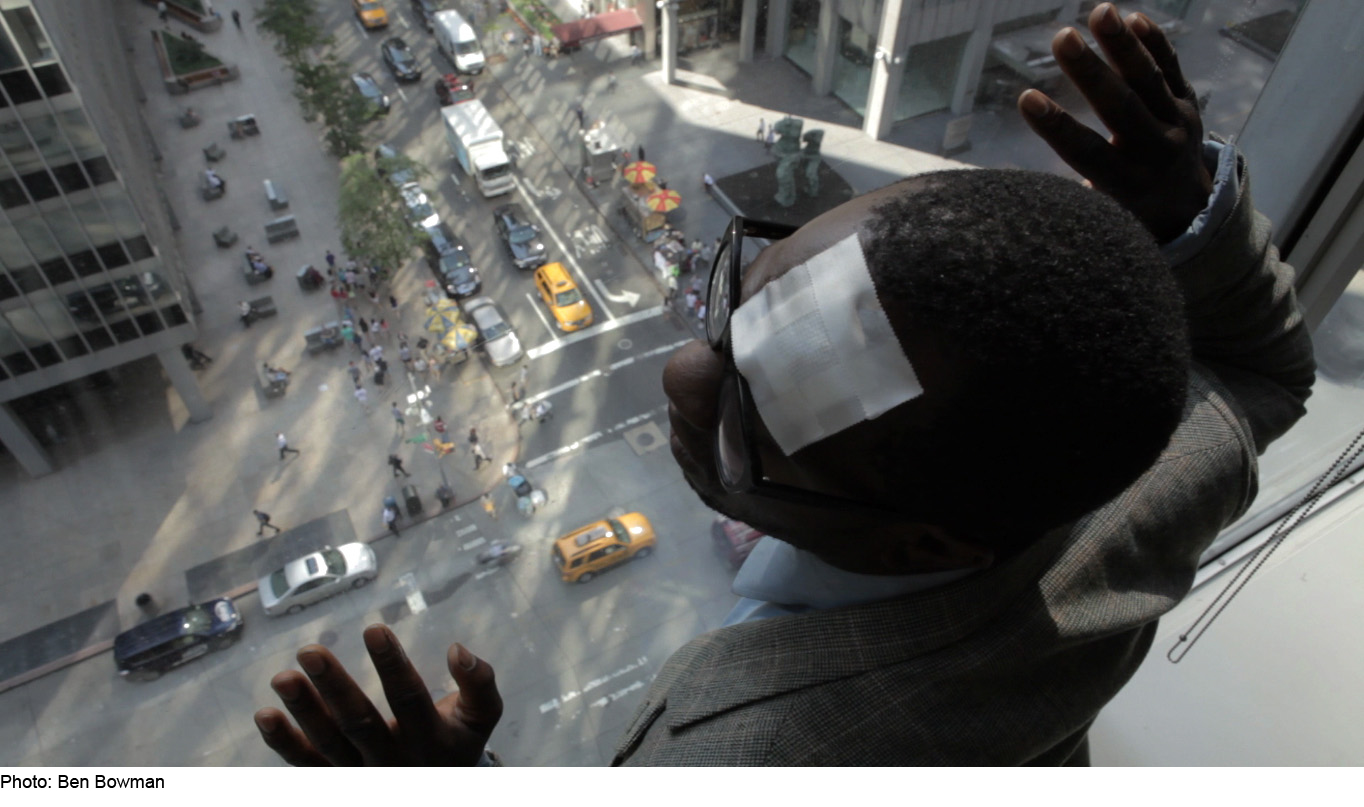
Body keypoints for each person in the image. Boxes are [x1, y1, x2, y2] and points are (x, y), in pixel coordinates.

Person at [250, 6, 1314, 766]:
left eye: (750, 422)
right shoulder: (1170, 468)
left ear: (918, 545)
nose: (678, 372)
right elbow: (1263, 370)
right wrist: (1185, 210)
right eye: (737, 302)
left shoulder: (757, 762)